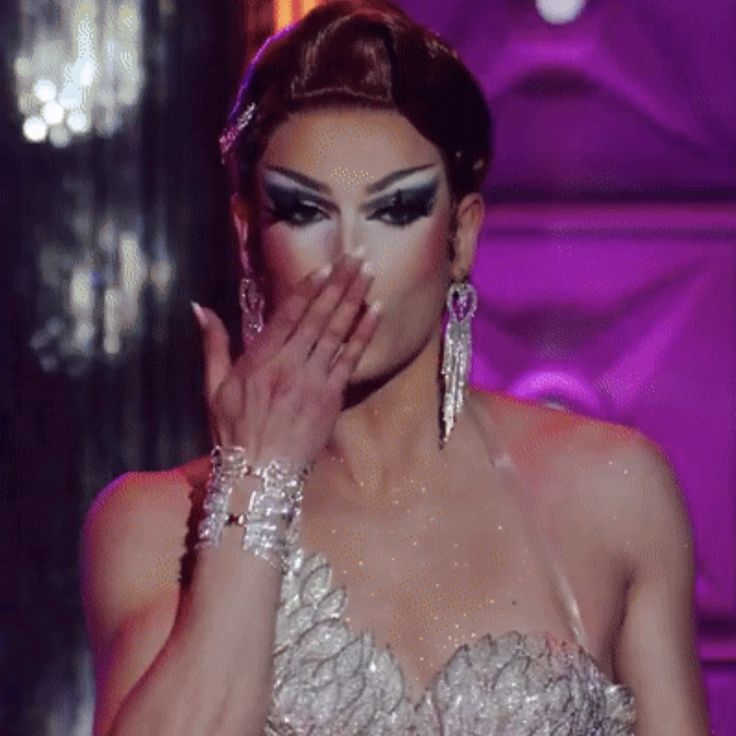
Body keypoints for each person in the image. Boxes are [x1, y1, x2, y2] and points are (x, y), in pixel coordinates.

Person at [79, 1, 712, 734]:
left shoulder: (611, 494)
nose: (350, 258)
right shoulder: (155, 528)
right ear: (249, 235)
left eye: (395, 210)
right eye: (305, 211)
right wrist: (254, 488)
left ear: (461, 235)